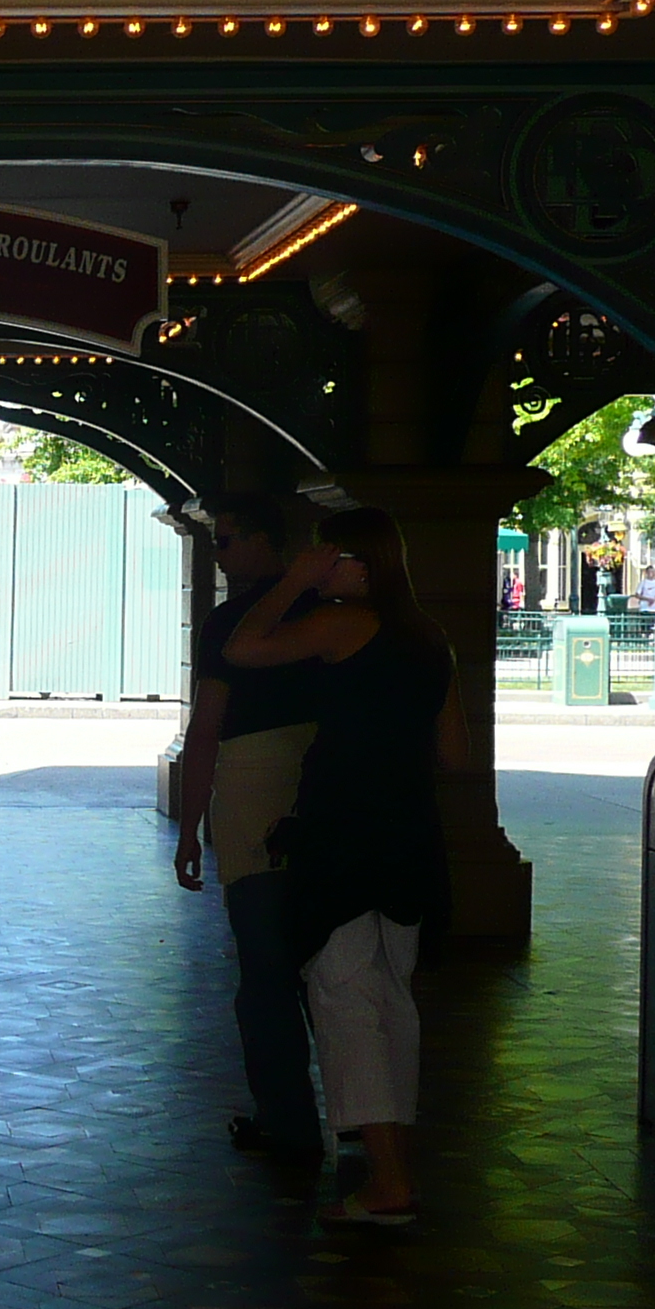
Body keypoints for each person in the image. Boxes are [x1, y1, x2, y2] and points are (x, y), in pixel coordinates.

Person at [223, 507, 461, 1226]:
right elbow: (456, 756)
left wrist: (292, 581)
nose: (321, 563)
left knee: (343, 997)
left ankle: (386, 1181)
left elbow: (242, 649)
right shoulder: (431, 639)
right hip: (411, 835)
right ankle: (395, 1164)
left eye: (332, 555)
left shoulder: (341, 623)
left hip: (343, 834)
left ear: (357, 563)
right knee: (394, 1000)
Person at [170, 496, 326, 1169]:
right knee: (341, 971)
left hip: (253, 797)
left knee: (264, 969)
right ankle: (364, 1128)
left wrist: (190, 826)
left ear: (266, 542)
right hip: (331, 792)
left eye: (226, 539)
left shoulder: (230, 625)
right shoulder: (340, 619)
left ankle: (288, 1121)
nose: (217, 552)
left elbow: (207, 727)